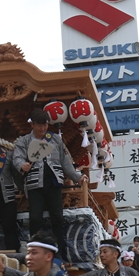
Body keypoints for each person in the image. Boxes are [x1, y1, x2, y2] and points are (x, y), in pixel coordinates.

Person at [12, 109, 89, 258]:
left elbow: (65, 161)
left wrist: (77, 177)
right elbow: (17, 158)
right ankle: (35, 252)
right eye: (39, 125)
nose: (43, 128)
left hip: (54, 183)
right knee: (35, 219)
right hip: (35, 184)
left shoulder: (55, 139)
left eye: (45, 125)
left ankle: (58, 254)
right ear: (32, 125)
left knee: (58, 218)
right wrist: (22, 165)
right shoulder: (24, 141)